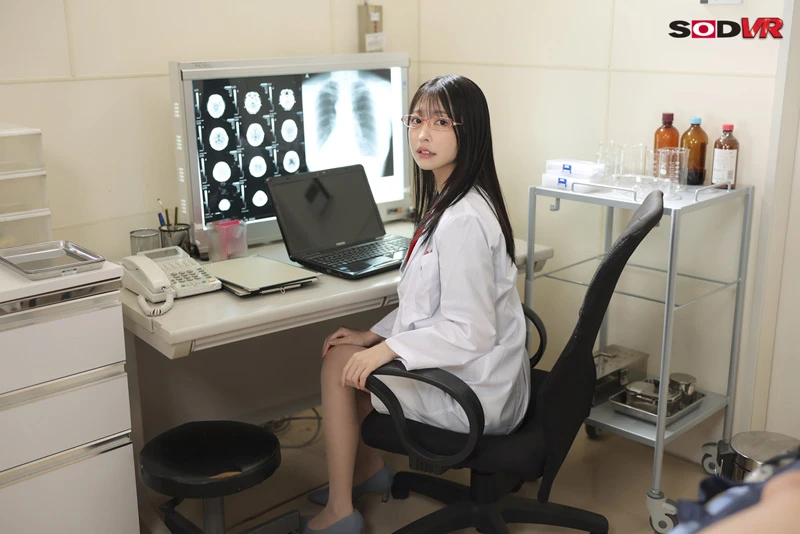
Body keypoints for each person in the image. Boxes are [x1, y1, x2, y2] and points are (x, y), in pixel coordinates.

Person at [301, 75, 530, 534]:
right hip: (486, 372)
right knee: (354, 351)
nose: (422, 134)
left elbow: (470, 330)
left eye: (441, 122)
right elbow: (430, 306)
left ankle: (341, 511)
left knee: (338, 364)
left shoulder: (462, 220)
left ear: (469, 131)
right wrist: (374, 335)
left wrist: (386, 349)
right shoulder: (455, 198)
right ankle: (368, 471)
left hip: (474, 392)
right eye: (417, 120)